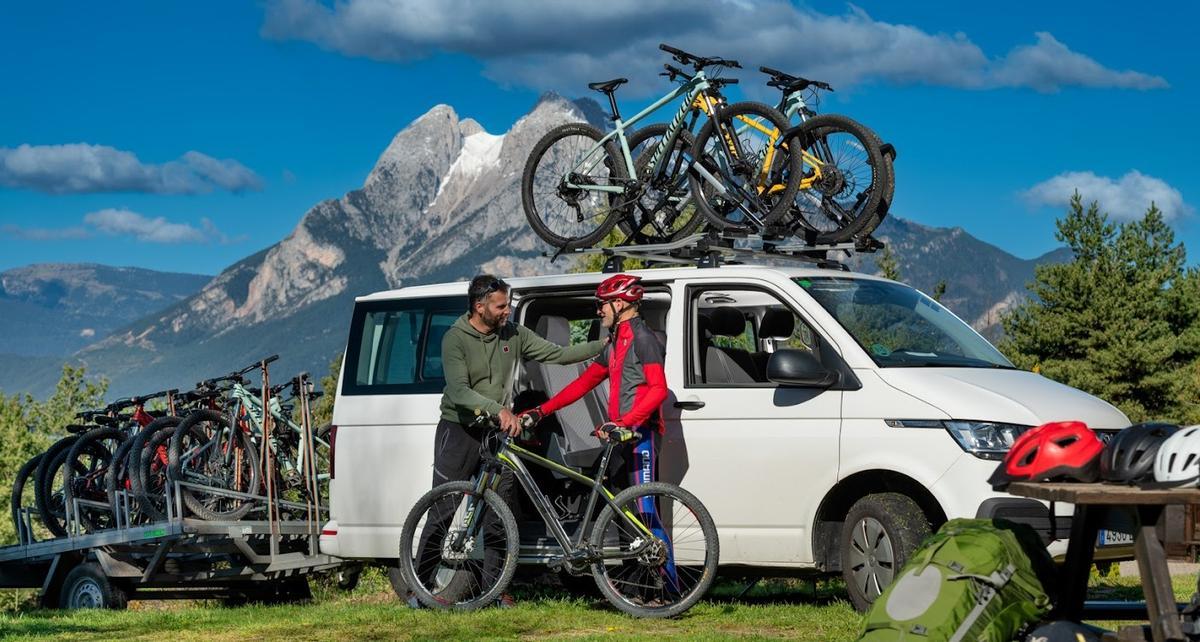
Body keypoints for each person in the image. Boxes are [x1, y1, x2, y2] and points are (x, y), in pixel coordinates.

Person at [412, 274, 604, 608]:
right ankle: (420, 589)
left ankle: (496, 590)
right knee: (443, 510)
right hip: (459, 431)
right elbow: (458, 391)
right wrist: (498, 410)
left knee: (502, 513)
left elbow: (558, 354)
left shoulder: (512, 334)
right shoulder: (455, 338)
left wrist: (607, 346)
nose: (507, 311)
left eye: (508, 305)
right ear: (479, 306)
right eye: (501, 306)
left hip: (496, 433)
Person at [519, 273, 677, 592]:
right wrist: (541, 411)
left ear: (619, 304)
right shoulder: (617, 341)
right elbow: (583, 383)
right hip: (621, 436)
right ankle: (637, 588)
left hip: (639, 435)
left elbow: (658, 390)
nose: (599, 312)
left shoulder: (644, 339)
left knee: (645, 515)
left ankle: (668, 589)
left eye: (602, 305)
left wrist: (626, 422)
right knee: (623, 514)